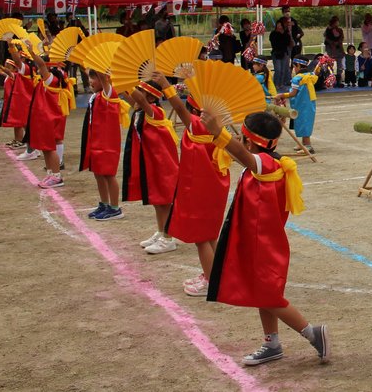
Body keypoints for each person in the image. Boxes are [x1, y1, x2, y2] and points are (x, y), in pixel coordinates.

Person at [201, 109, 330, 366]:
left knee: (270, 297)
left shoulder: (267, 164)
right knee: (262, 294)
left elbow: (242, 156)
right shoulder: (267, 163)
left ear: (250, 140)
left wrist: (219, 132)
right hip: (257, 240)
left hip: (264, 244)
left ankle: (312, 333)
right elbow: (240, 156)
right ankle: (272, 343)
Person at [154, 72, 232, 297]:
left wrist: (165, 85)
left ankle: (210, 281)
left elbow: (178, 108)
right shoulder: (219, 130)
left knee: (201, 238)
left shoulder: (198, 126)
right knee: (210, 235)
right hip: (215, 187)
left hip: (200, 187)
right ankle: (217, 275)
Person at [123, 80, 180, 254]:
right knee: (157, 201)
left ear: (149, 96)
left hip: (162, 162)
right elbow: (129, 95)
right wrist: (117, 80)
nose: (136, 94)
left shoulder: (154, 111)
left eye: (141, 91)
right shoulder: (140, 109)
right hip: (151, 161)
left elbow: (136, 97)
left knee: (164, 201)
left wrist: (131, 86)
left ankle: (168, 238)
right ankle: (161, 231)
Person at [79, 66, 127, 220]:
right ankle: (104, 203)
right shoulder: (97, 95)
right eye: (90, 78)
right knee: (98, 173)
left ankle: (115, 208)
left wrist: (101, 68)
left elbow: (104, 79)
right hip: (96, 139)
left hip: (107, 141)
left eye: (94, 78)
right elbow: (86, 70)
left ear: (103, 79)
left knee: (108, 174)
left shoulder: (109, 93)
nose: (90, 81)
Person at [24, 43, 72, 188]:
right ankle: (51, 174)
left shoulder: (52, 79)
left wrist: (32, 52)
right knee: (46, 147)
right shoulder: (57, 77)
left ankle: (56, 176)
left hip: (49, 117)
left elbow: (41, 64)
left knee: (49, 148)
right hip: (47, 116)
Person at [0, 42, 33, 150]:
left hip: (20, 99)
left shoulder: (18, 73)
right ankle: (19, 139)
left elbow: (7, 71)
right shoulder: (19, 73)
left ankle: (26, 140)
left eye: (21, 57)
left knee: (22, 122)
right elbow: (4, 72)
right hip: (15, 100)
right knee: (17, 122)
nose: (19, 59)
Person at [281, 57, 319, 153]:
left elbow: (293, 93)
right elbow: (316, 74)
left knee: (303, 123)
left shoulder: (297, 78)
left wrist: (282, 95)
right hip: (309, 103)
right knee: (305, 122)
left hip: (301, 103)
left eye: (294, 66)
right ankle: (303, 144)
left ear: (297, 66)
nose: (294, 69)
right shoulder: (310, 75)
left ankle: (307, 145)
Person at [269, 19, 294, 92]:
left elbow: (288, 43)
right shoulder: (273, 33)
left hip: (284, 53)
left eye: (280, 25)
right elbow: (274, 43)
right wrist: (280, 34)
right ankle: (276, 84)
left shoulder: (286, 34)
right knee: (278, 70)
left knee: (283, 70)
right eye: (278, 25)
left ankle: (281, 84)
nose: (279, 27)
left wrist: (287, 33)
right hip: (276, 53)